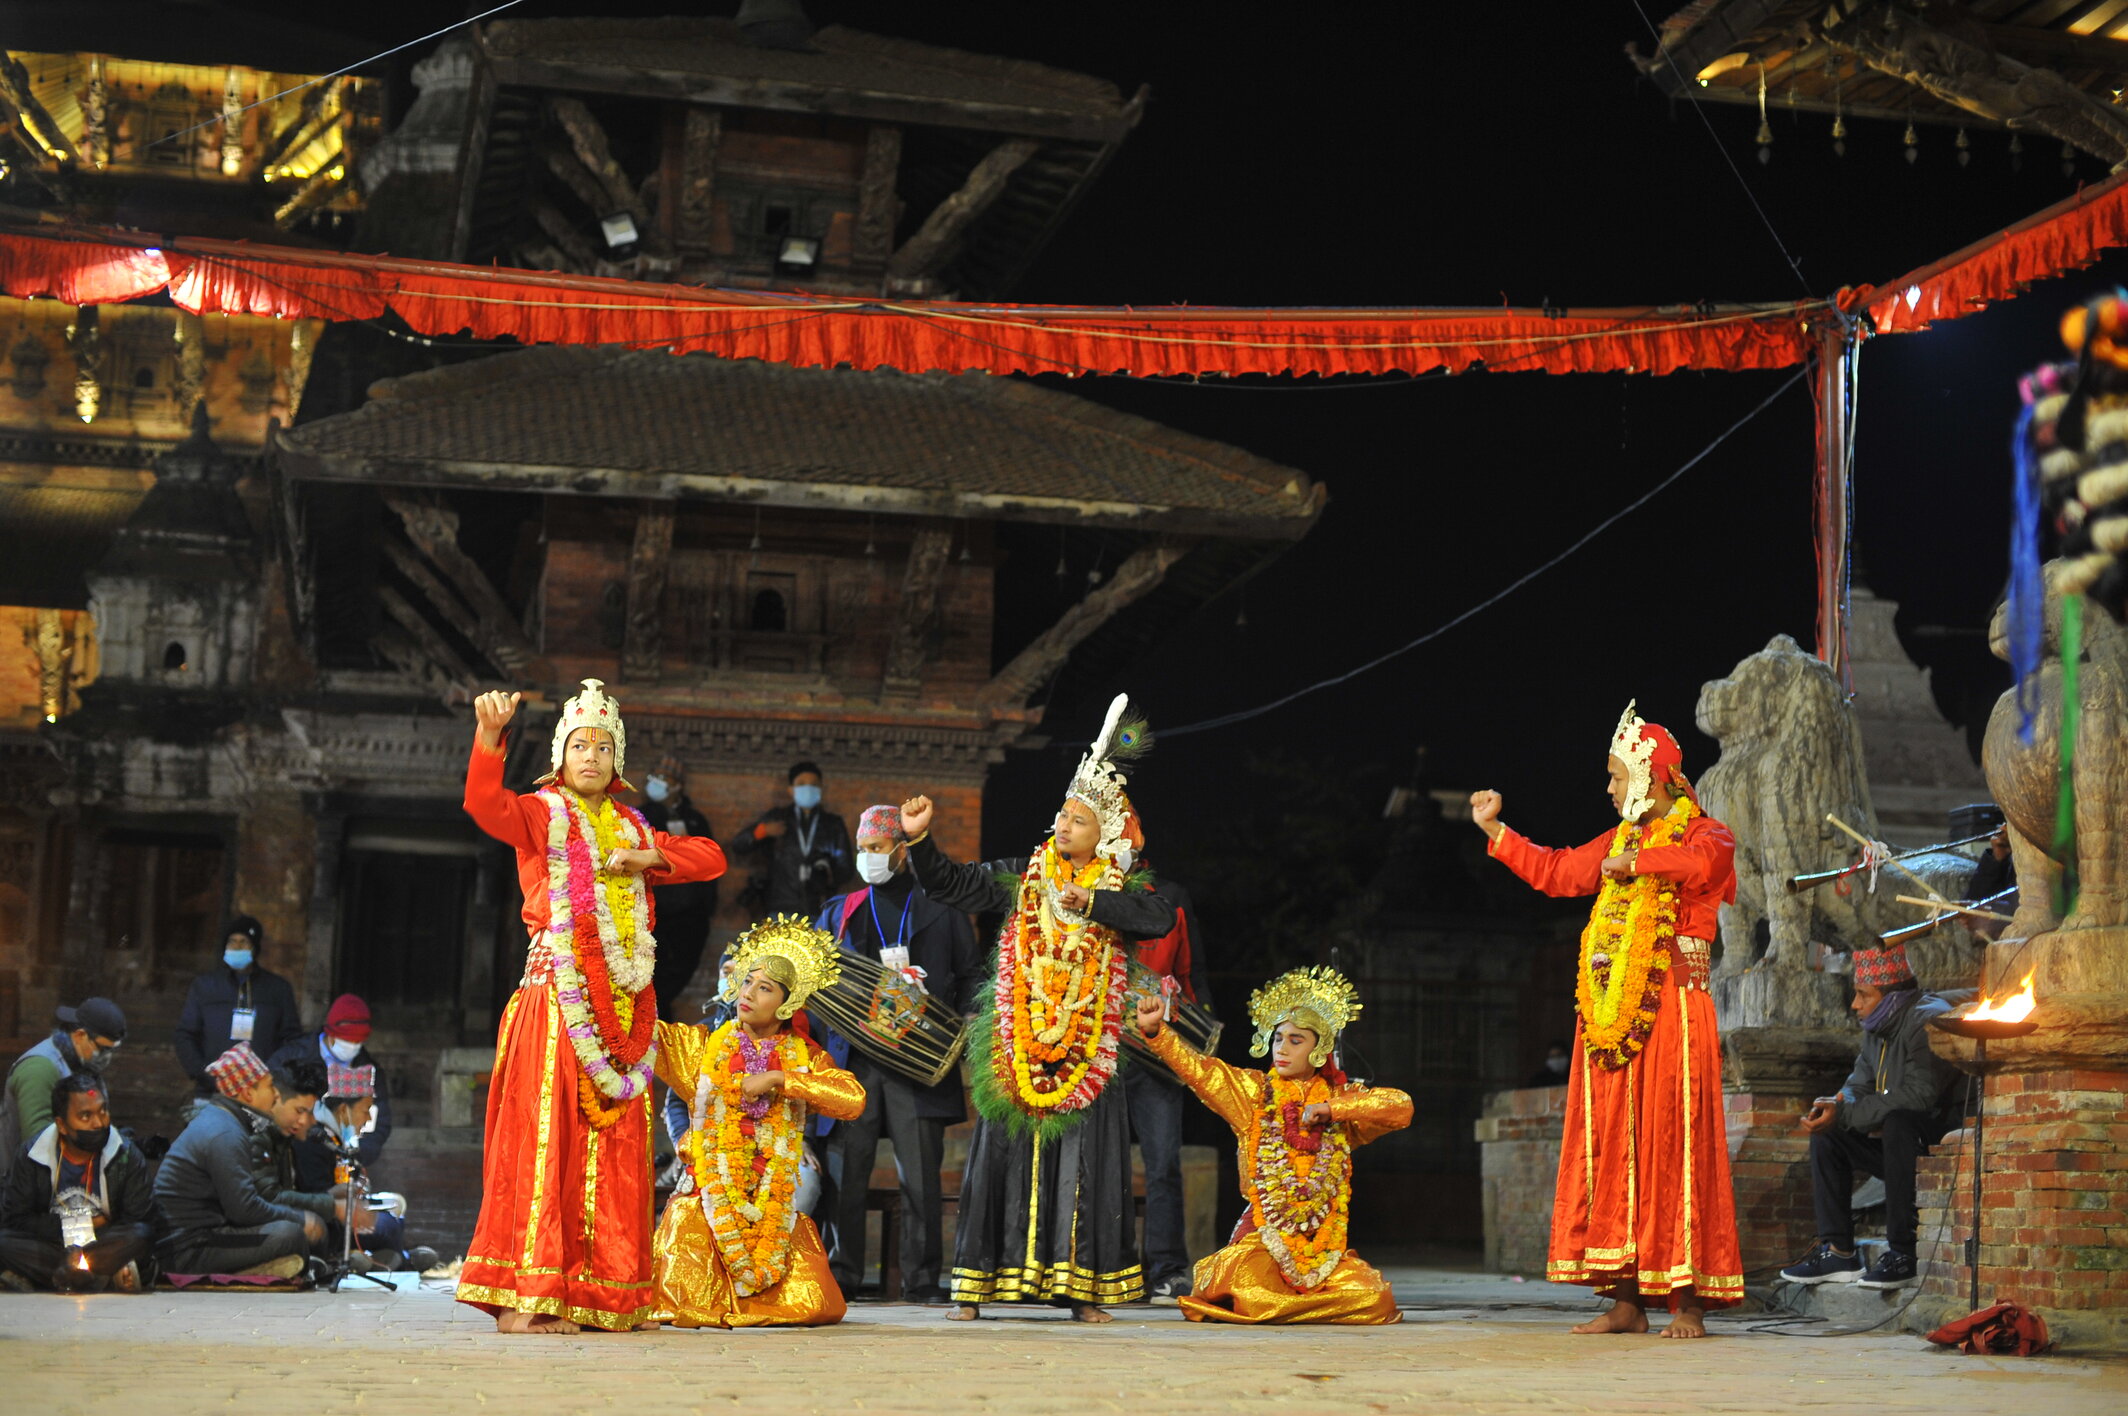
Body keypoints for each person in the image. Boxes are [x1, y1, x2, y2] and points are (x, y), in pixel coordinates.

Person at [455, 679, 726, 1334]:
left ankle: (605, 1293)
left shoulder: (633, 826)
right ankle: (528, 1300)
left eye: (604, 747)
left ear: (618, 762)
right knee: (547, 1141)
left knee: (615, 1147)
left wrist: (650, 857)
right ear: (560, 756)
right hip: (557, 998)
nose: (592, 757)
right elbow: (484, 804)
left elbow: (712, 858)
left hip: (622, 1006)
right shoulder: (541, 813)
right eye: (580, 745)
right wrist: (489, 736)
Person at [902, 693, 1178, 1323]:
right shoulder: (1023, 876)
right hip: (1018, 1044)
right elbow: (952, 884)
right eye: (1062, 814)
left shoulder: (1119, 887)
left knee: (1086, 1166)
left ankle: (1082, 1295)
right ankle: (974, 1290)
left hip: (1088, 1050)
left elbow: (1159, 917)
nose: (1064, 824)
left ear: (1104, 833)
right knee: (999, 1158)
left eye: (1079, 819)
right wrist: (920, 841)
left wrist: (1093, 904)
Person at [1471, 701, 1743, 1338]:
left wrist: (1639, 863)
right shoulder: (1617, 841)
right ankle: (1626, 1301)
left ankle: (1687, 1303)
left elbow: (1704, 867)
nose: (1611, 788)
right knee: (1615, 1147)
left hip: (1675, 1009)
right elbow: (1558, 871)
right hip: (1613, 1015)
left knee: (1675, 1144)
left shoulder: (1707, 833)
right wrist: (1496, 829)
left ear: (1650, 777)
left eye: (1619, 776)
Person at [1136, 966, 1412, 1324]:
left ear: (1319, 1049)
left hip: (1322, 1247)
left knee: (1376, 1297)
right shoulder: (1253, 1093)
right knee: (1246, 1288)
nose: (1281, 1048)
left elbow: (1401, 1107)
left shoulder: (1341, 1103)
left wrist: (1332, 1109)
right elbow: (1200, 1071)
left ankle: (1291, 1308)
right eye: (1278, 1038)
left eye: (1296, 1040)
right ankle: (1301, 1308)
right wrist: (1156, 1032)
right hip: (1263, 1236)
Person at [650, 915, 865, 1328]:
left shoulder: (803, 1057)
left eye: (764, 988)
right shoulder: (702, 1046)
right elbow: (645, 1032)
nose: (747, 992)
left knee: (816, 1304)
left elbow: (852, 1099)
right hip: (707, 1205)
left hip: (772, 1208)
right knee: (686, 1297)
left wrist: (781, 1079)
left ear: (787, 1003)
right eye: (747, 981)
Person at [813, 805, 983, 1303]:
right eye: (862, 849)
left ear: (901, 851)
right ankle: (843, 1273)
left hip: (917, 1060)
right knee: (846, 1172)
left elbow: (972, 973)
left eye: (877, 848)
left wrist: (967, 1018)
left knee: (921, 1176)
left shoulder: (942, 907)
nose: (868, 857)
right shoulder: (840, 910)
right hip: (855, 1060)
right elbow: (816, 984)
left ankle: (922, 1279)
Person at [1780, 943, 1974, 1291]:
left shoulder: (1926, 1020)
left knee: (1900, 1121)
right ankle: (1839, 1252)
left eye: (1863, 994)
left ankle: (1904, 1253)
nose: (1855, 1004)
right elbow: (1859, 1083)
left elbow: (1920, 1095)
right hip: (1898, 1148)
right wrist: (1836, 1104)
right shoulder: (1878, 1026)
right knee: (1829, 1132)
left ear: (1891, 996)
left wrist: (1849, 1112)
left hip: (1938, 1142)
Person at [155, 1043, 324, 1280]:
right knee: (289, 1233)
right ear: (248, 1094)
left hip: (204, 1237)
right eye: (269, 1086)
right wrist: (299, 1219)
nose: (276, 1094)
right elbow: (244, 1210)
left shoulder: (223, 1122)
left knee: (288, 1230)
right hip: (188, 1249)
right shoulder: (225, 1133)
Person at [1122, 878, 1214, 1303]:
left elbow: (1190, 971)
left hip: (1156, 1049)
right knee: (1099, 1164)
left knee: (1163, 1163)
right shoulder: (1081, 888)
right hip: (1100, 1049)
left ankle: (1166, 1269)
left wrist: (1200, 1034)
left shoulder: (1170, 897)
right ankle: (1106, 1266)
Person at [0, 1071, 161, 1293]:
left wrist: (88, 1245)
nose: (99, 1123)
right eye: (85, 1116)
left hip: (102, 1245)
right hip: (54, 1243)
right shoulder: (32, 1154)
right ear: (62, 1125)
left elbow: (139, 1219)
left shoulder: (126, 1154)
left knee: (141, 1235)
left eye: (103, 1111)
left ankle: (61, 1276)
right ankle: (97, 1279)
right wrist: (84, 1224)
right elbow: (16, 1219)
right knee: (4, 1243)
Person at [0, 996, 125, 1185]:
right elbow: (38, 1142)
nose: (107, 1057)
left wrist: (115, 1141)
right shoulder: (39, 1069)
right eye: (103, 1049)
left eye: (112, 1050)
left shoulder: (82, 1067)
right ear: (80, 1035)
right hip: (19, 1188)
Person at [175, 915, 304, 1097]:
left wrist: (273, 1074)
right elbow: (185, 1035)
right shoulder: (205, 986)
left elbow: (291, 1039)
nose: (237, 947)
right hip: (212, 1091)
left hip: (261, 1092)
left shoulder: (277, 988)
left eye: (244, 942)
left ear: (255, 947)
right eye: (232, 941)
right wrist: (203, 1074)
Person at [268, 993, 392, 1170]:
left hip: (341, 1165)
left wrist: (354, 1155)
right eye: (346, 1040)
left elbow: (379, 1125)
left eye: (358, 1041)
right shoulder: (292, 1057)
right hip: (291, 1159)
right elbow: (267, 1105)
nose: (352, 1045)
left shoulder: (369, 1071)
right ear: (330, 1033)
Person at [728, 761, 852, 922]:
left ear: (821, 788)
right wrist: (762, 831)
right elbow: (738, 845)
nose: (808, 789)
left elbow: (846, 870)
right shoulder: (778, 817)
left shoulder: (832, 824)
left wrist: (827, 870)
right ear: (791, 790)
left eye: (814, 785)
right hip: (781, 907)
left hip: (819, 907)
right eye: (801, 784)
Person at [641, 758, 721, 1008]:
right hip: (654, 911)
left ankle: (662, 1010)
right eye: (654, 775)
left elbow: (710, 862)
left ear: (678, 784)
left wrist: (707, 906)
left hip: (690, 913)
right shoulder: (641, 816)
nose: (657, 782)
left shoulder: (694, 820)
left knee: (680, 967)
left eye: (664, 777)